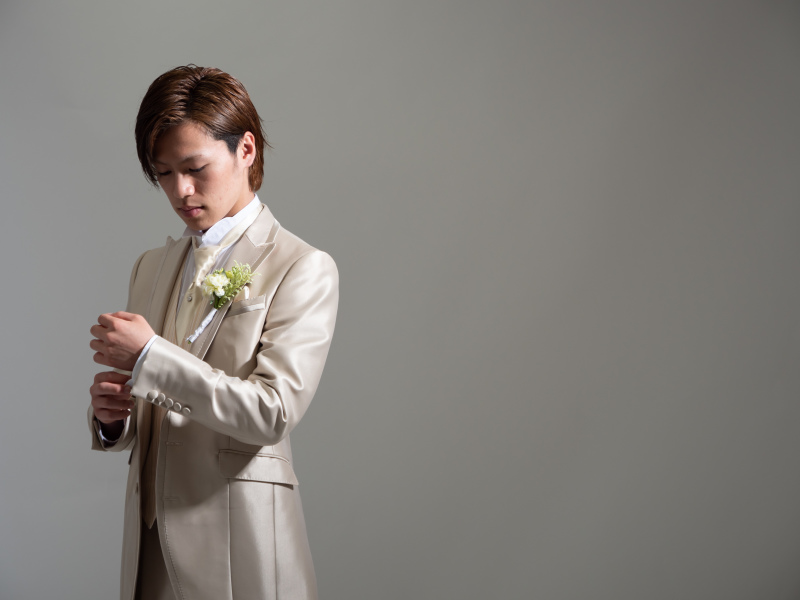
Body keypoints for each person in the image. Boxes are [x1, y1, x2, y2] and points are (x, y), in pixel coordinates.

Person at [88, 65, 338, 600]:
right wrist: (114, 421)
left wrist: (150, 355)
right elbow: (154, 408)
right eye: (163, 173)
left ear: (246, 149)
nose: (180, 190)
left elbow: (271, 412)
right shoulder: (149, 267)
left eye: (195, 168)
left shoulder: (301, 266)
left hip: (241, 546)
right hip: (149, 551)